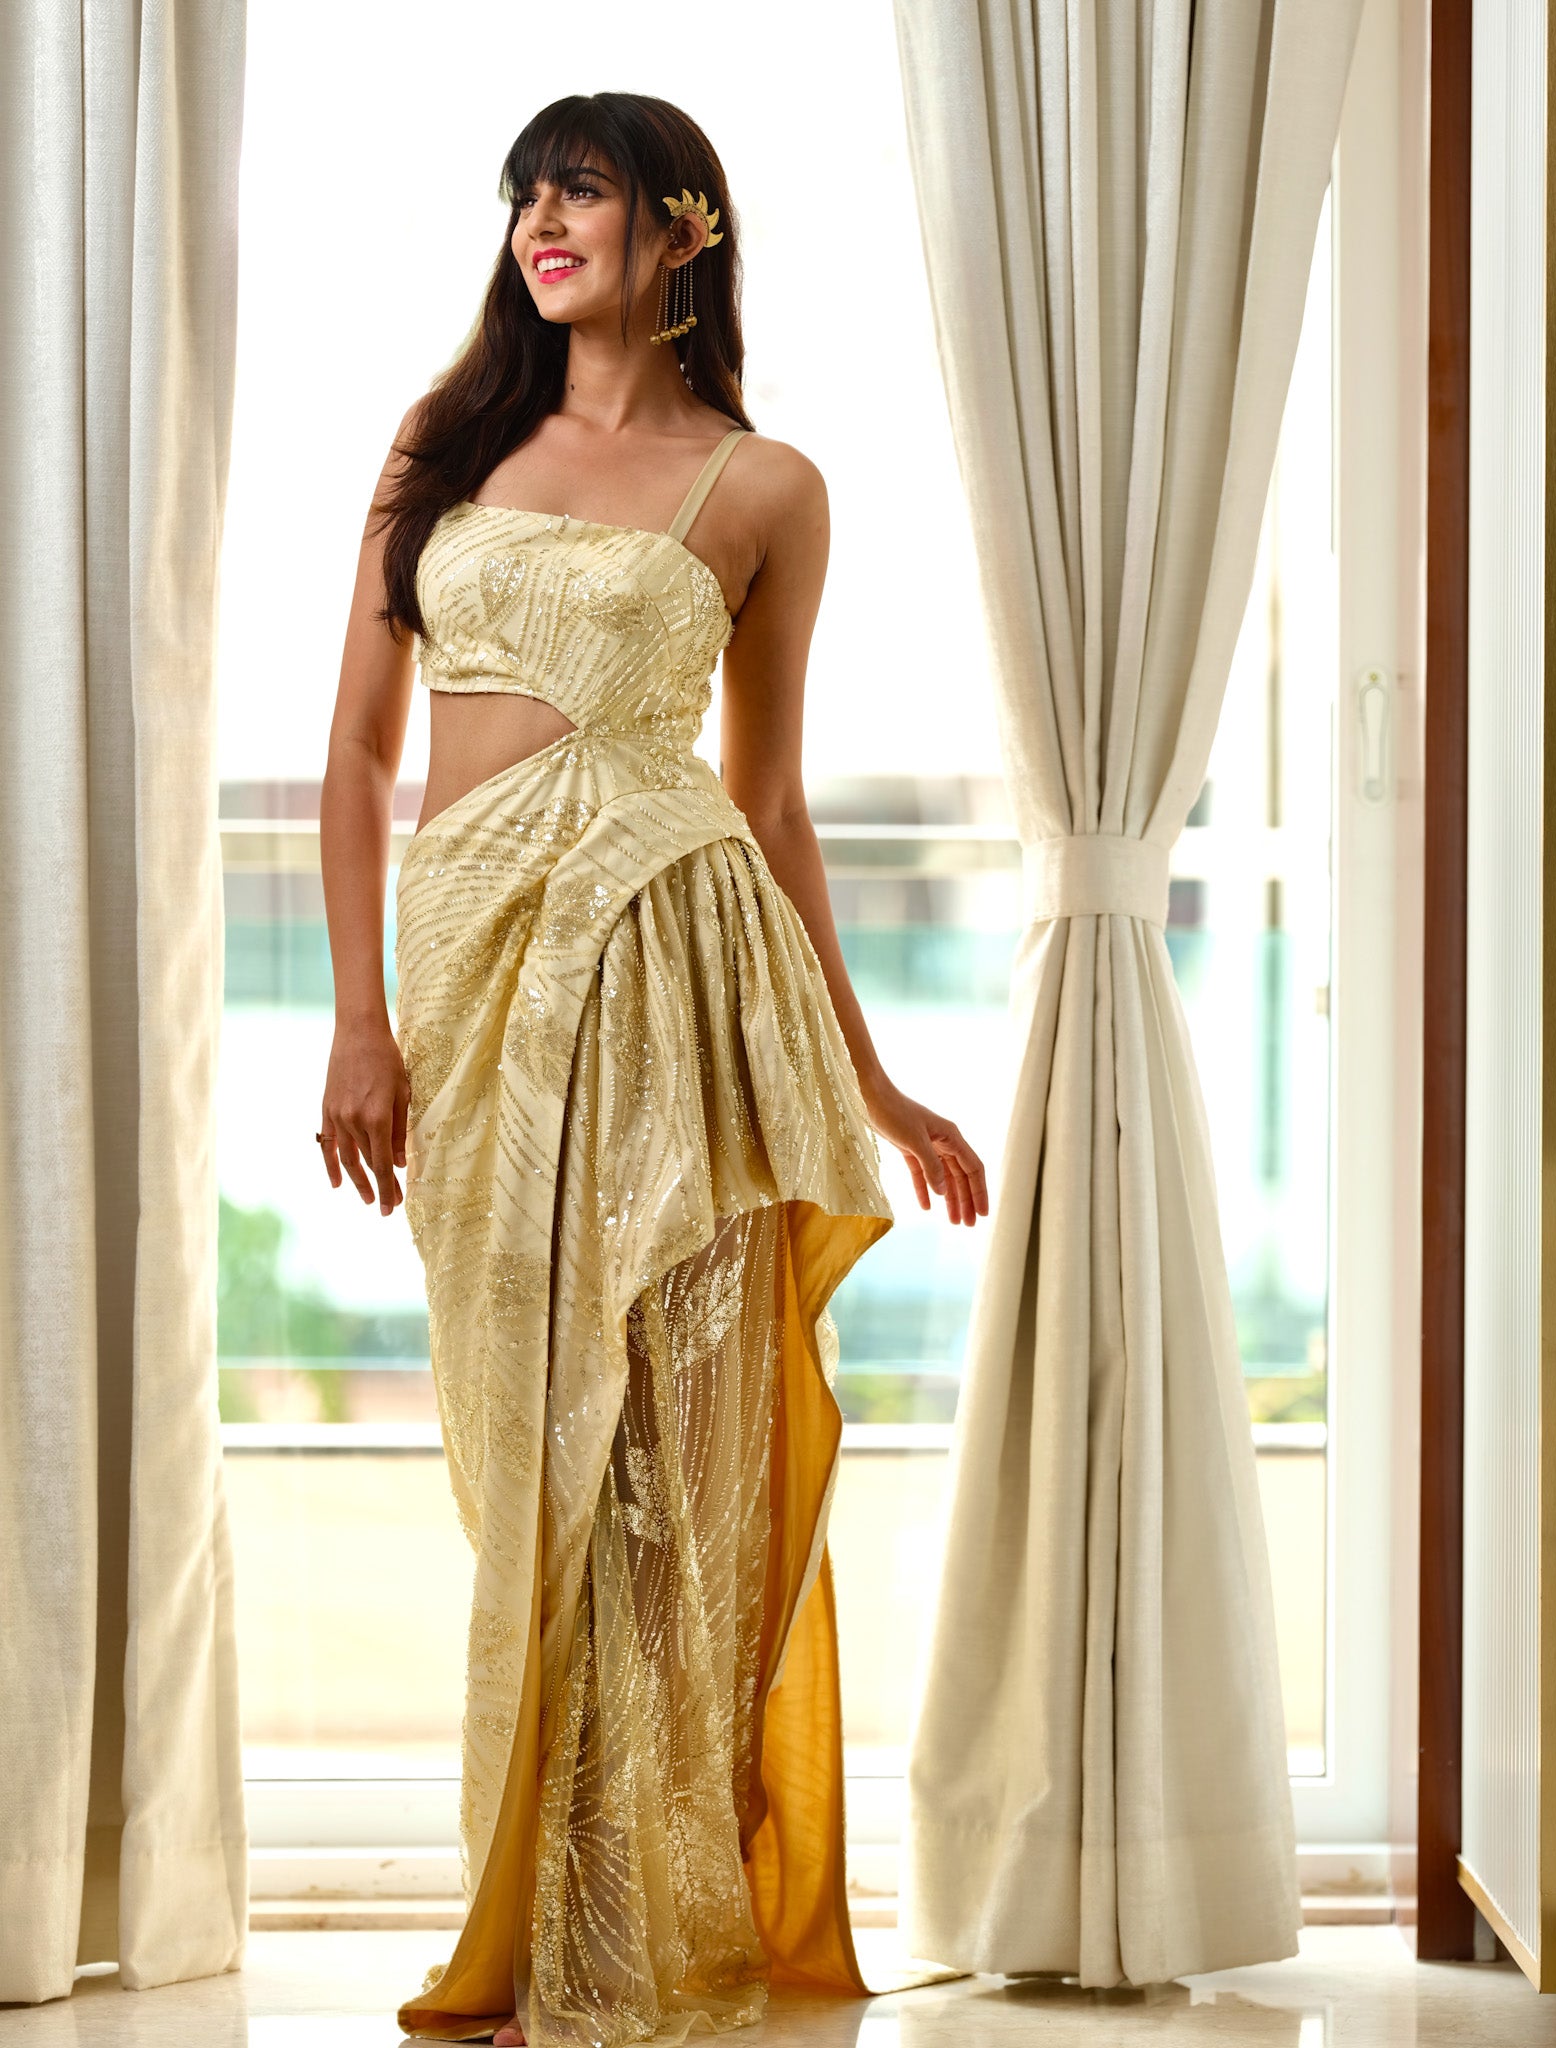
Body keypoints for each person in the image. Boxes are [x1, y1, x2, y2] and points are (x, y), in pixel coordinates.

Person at [314, 91, 987, 2048]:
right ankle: (537, 1919)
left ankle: (630, 1933)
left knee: (670, 1454)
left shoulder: (768, 488)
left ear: (682, 229)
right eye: (527, 190)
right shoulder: (443, 451)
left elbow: (768, 803)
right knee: (522, 1445)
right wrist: (358, 1012)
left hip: (683, 969)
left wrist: (874, 1080)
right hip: (474, 967)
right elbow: (358, 758)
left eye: (582, 189)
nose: (542, 219)